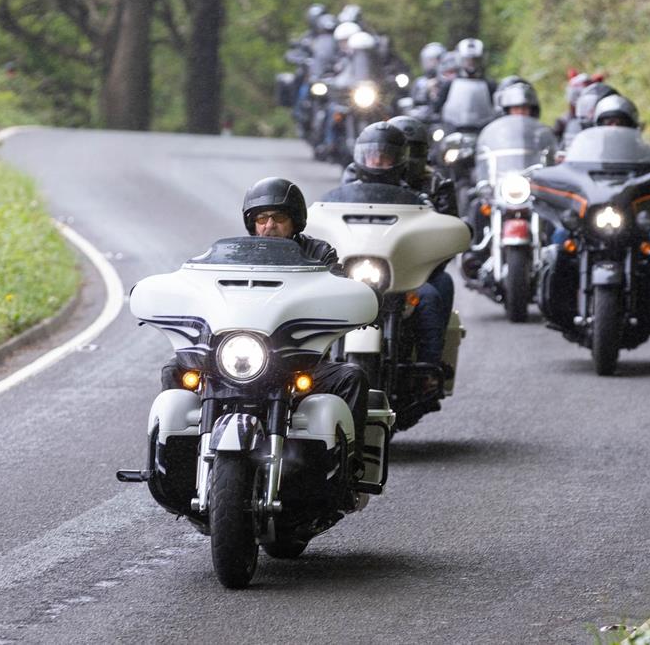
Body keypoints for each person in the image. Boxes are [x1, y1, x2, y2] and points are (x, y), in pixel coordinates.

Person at [162, 177, 371, 473]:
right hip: (236, 360)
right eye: (261, 218)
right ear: (252, 223)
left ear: (295, 221)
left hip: (299, 362)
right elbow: (198, 287)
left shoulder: (319, 255)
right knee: (174, 370)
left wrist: (354, 303)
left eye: (279, 218)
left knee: (352, 377)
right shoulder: (230, 256)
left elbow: (340, 287)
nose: (269, 225)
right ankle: (177, 465)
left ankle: (351, 467)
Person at [324, 123, 453, 374]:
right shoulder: (345, 192)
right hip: (353, 267)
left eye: (385, 157)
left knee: (429, 296)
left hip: (398, 271)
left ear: (399, 159)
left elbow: (440, 225)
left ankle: (428, 368)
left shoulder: (417, 199)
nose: (377, 161)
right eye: (372, 155)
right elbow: (324, 220)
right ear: (360, 156)